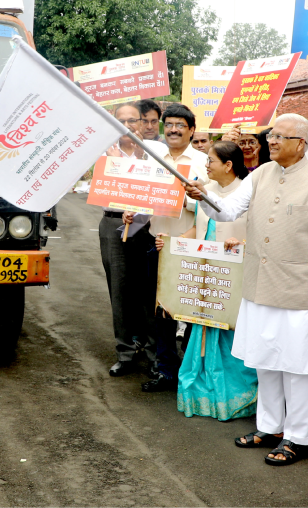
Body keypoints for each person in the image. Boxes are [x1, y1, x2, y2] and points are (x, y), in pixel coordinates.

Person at [186, 113, 308, 466]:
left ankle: (298, 436)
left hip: (300, 290)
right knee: (265, 360)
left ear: (300, 144)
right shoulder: (259, 174)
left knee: (298, 367)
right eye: (271, 135)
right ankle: (270, 427)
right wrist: (202, 196)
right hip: (260, 285)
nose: (270, 141)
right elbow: (228, 210)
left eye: (279, 136)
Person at [155, 141, 257, 420]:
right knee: (202, 326)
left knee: (232, 332)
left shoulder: (246, 193)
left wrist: (242, 244)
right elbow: (199, 228)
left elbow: (259, 235)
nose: (207, 165)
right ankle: (203, 393)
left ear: (228, 165)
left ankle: (235, 395)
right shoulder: (206, 192)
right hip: (204, 275)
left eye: (211, 161)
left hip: (232, 281)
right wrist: (172, 243)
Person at [123, 103, 210, 392]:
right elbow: (143, 193)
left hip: (189, 245)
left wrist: (181, 197)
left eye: (180, 125)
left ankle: (191, 371)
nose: (173, 129)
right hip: (155, 243)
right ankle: (166, 370)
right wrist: (131, 211)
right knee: (160, 310)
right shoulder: (154, 157)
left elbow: (208, 207)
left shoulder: (202, 162)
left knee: (190, 309)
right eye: (169, 124)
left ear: (192, 130)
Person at [99, 103, 162, 377]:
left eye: (133, 120)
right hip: (114, 222)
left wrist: (133, 160)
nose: (128, 125)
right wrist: (116, 165)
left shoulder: (154, 152)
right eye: (121, 120)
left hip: (147, 224)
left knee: (149, 291)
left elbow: (161, 189)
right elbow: (99, 193)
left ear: (142, 122)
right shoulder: (104, 153)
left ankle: (154, 354)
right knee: (120, 291)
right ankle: (125, 352)